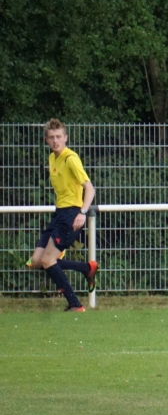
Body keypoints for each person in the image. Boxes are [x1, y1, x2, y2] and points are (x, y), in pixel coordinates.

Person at [28, 119, 98, 312]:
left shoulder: (70, 158)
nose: (55, 141)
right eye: (51, 137)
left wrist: (82, 212)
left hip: (72, 214)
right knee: (37, 260)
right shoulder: (52, 158)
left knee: (48, 260)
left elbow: (89, 189)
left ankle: (75, 304)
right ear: (46, 140)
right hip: (59, 213)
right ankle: (86, 268)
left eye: (59, 137)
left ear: (66, 138)